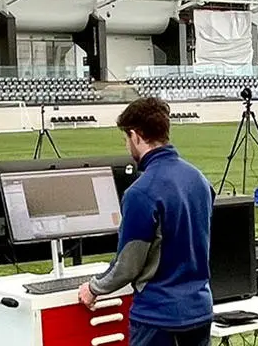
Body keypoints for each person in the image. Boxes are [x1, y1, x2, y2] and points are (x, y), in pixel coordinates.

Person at [80, 97, 214, 346]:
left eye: (126, 138)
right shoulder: (199, 179)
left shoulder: (141, 192)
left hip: (158, 317)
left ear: (136, 136)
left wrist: (93, 287)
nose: (126, 145)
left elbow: (128, 265)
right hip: (199, 310)